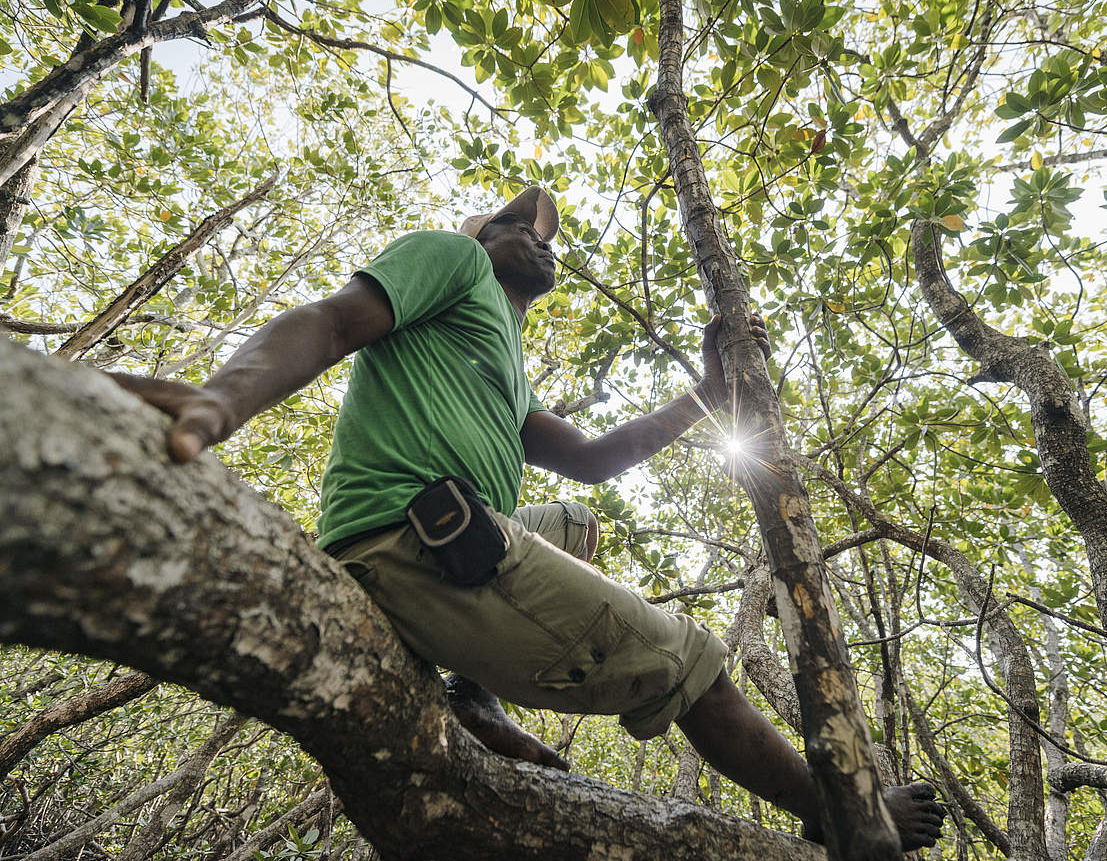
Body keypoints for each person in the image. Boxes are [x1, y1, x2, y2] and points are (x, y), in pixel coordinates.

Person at [114, 186, 945, 850]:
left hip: (455, 543)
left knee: (578, 515)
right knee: (690, 659)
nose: (537, 235)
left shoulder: (506, 368)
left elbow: (595, 456)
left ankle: (470, 695)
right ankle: (835, 814)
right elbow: (331, 322)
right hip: (409, 543)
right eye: (516, 222)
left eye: (546, 234)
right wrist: (225, 396)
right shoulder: (450, 261)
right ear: (478, 236)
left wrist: (707, 394)